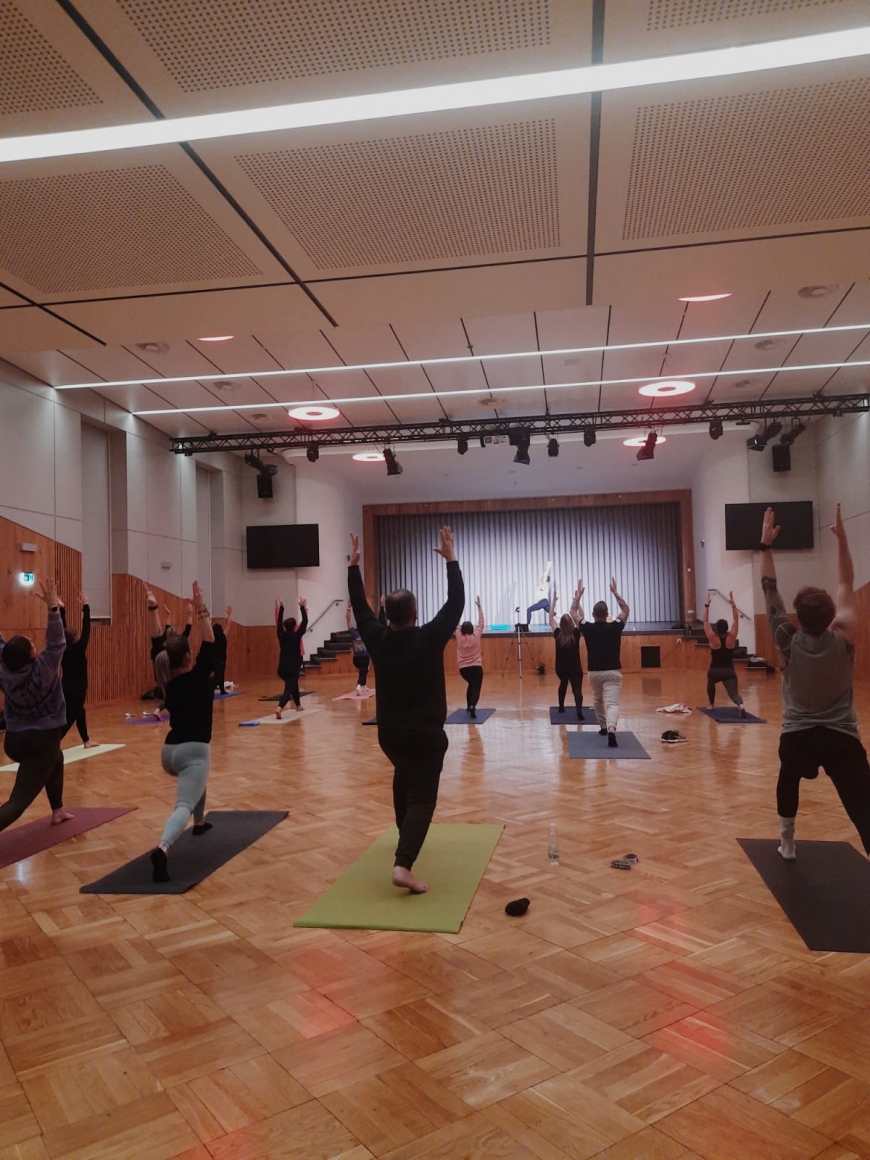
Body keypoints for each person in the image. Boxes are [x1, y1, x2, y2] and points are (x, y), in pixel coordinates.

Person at [349, 526, 464, 893]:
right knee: (422, 798)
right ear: (416, 612)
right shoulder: (429, 638)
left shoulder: (377, 639)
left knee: (403, 772)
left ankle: (405, 834)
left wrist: (353, 568)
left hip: (390, 736)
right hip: (426, 736)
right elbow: (456, 604)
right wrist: (451, 560)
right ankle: (403, 865)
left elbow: (360, 608)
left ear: (387, 614)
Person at [760, 504, 870, 861]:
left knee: (787, 778)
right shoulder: (846, 636)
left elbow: (769, 589)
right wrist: (842, 540)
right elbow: (847, 582)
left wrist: (766, 546)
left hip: (798, 736)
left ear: (798, 616)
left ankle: (787, 844)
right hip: (842, 737)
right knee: (862, 802)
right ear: (830, 615)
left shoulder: (786, 639)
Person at [148, 580, 216, 882]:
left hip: (169, 752)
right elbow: (209, 639)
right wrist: (200, 606)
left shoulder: (167, 680)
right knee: (183, 804)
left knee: (197, 778)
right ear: (189, 657)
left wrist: (152, 607)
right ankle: (163, 849)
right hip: (193, 751)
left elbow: (156, 641)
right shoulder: (199, 678)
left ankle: (199, 822)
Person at [0, 577, 74, 832]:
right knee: (17, 802)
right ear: (31, 655)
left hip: (13, 741)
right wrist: (53, 608)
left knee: (57, 757)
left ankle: (58, 810)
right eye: (32, 644)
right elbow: (56, 644)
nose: (35, 643)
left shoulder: (4, 670)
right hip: (40, 741)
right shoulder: (42, 672)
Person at [579, 577, 629, 748]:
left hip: (594, 672)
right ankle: (611, 729)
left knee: (598, 699)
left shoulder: (587, 627)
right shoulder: (616, 626)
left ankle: (602, 727)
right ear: (607, 615)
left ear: (593, 615)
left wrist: (577, 597)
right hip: (613, 671)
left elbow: (573, 612)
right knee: (612, 703)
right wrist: (616, 593)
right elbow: (625, 609)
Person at [59, 591, 99, 746]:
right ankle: (53, 744)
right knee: (70, 718)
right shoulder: (79, 648)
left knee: (80, 711)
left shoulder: (63, 649)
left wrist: (62, 610)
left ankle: (86, 740)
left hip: (65, 687)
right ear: (75, 638)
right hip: (78, 689)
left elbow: (62, 630)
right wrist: (85, 605)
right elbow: (86, 627)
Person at [703, 590, 746, 716]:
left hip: (715, 671)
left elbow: (705, 622)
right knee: (733, 694)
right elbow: (736, 619)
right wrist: (733, 604)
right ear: (727, 628)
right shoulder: (731, 637)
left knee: (710, 682)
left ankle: (711, 705)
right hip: (729, 671)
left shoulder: (713, 638)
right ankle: (741, 705)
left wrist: (707, 605)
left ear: (716, 628)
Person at [549, 583, 583, 718]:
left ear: (561, 624)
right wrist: (577, 600)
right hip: (575, 667)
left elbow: (551, 618)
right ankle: (579, 711)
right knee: (577, 689)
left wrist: (553, 601)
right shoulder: (576, 634)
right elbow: (581, 616)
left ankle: (561, 707)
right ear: (571, 623)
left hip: (561, 668)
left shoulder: (558, 633)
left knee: (563, 684)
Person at [275, 597, 308, 716]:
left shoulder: (281, 635)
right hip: (292, 667)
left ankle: (298, 705)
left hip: (282, 668)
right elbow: (305, 622)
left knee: (293, 683)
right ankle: (279, 707)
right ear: (294, 627)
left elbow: (279, 623)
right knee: (288, 689)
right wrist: (302, 607)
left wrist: (281, 607)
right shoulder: (297, 636)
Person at [454, 596, 484, 717]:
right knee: (476, 687)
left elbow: (454, 623)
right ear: (472, 629)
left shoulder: (458, 636)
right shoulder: (476, 636)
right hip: (476, 668)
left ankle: (468, 706)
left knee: (471, 684)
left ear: (461, 629)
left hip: (464, 670)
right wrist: (479, 607)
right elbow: (481, 623)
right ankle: (472, 705)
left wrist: (457, 607)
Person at [347, 600, 371, 693]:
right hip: (364, 657)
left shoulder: (354, 632)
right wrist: (368, 606)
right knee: (363, 671)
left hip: (356, 658)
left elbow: (348, 620)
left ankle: (364, 685)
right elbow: (370, 619)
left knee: (364, 670)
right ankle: (359, 685)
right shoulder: (365, 632)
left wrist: (349, 607)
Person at [212, 606, 233, 695]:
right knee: (218, 676)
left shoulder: (212, 638)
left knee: (220, 675)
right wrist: (229, 614)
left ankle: (222, 690)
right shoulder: (223, 636)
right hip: (221, 660)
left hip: (213, 660)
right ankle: (211, 690)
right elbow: (228, 625)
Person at [526, 560, 552, 626]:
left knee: (529, 610)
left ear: (545, 579)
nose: (542, 577)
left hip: (543, 602)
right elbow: (544, 574)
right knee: (552, 613)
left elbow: (545, 574)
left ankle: (527, 625)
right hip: (544, 602)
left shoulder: (544, 584)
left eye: (543, 577)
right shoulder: (542, 585)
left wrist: (548, 566)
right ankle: (565, 617)